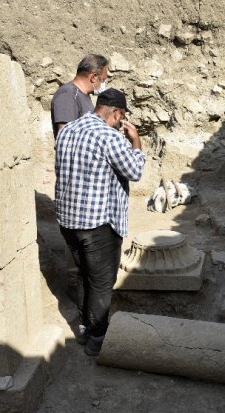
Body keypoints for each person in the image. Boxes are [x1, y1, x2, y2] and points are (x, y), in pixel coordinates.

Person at [54, 88, 145, 357]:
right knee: (102, 282)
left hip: (69, 221)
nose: (122, 122)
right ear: (117, 113)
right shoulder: (108, 135)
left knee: (83, 275)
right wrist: (135, 141)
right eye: (122, 117)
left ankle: (84, 329)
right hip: (98, 225)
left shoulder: (68, 130)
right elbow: (135, 171)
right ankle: (97, 339)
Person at [51, 54, 109, 140]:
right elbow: (65, 137)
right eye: (102, 80)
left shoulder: (83, 95)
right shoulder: (67, 94)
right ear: (93, 77)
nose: (103, 84)